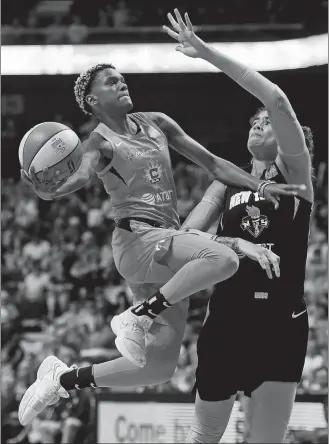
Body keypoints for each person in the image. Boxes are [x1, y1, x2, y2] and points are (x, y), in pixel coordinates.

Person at [19, 54, 303, 426]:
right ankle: (137, 315)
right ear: (92, 100)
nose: (122, 83)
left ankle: (60, 379)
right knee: (224, 259)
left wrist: (261, 183)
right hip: (137, 241)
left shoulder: (156, 123)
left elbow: (214, 164)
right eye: (111, 81)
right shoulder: (98, 143)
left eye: (122, 79)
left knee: (156, 369)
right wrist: (52, 193)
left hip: (165, 248)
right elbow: (82, 176)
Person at [163, 9, 314, 443]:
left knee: (266, 440)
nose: (259, 123)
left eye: (265, 123)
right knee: (204, 436)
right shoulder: (224, 183)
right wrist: (236, 244)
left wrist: (207, 53)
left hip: (281, 323)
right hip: (227, 317)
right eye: (254, 122)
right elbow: (187, 239)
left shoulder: (297, 179)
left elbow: (277, 100)